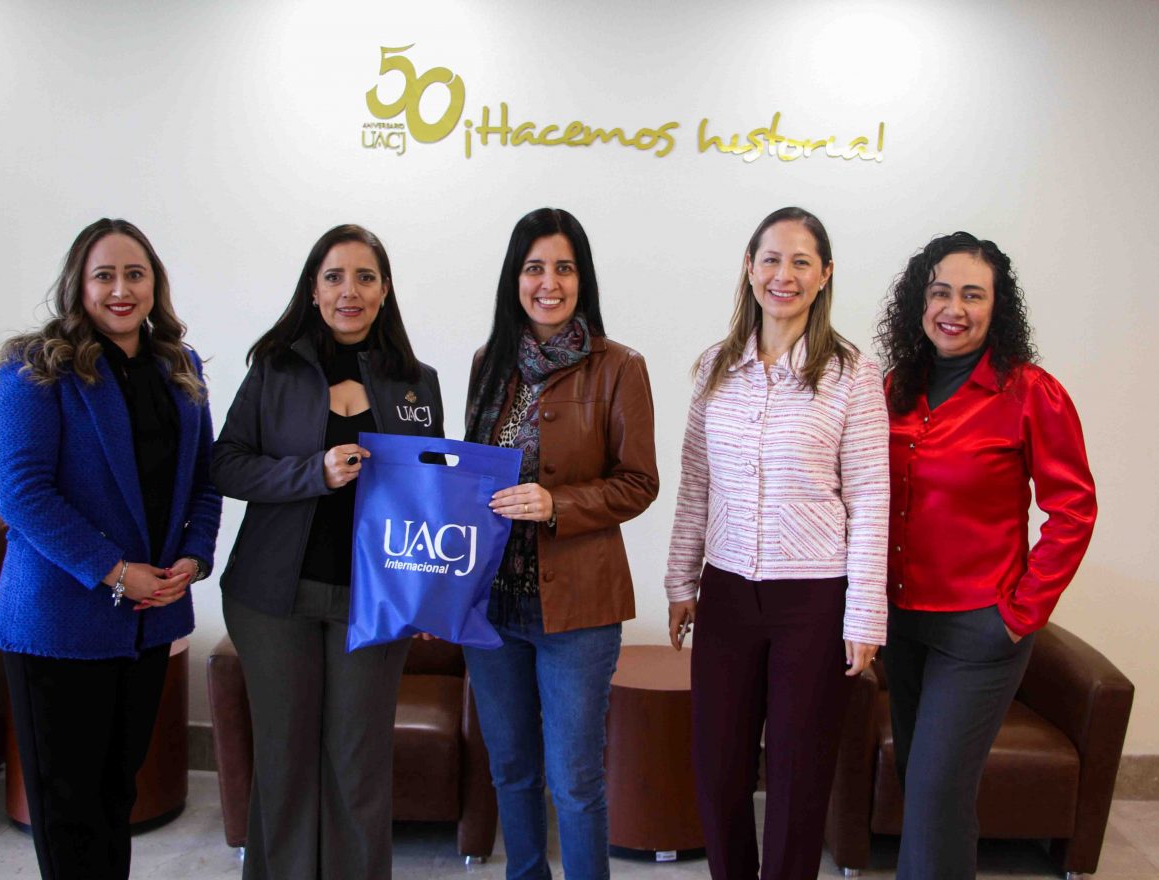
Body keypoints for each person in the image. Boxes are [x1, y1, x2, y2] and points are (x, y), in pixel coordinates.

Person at [0, 218, 220, 880]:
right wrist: (116, 573)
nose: (121, 290)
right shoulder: (37, 368)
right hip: (59, 623)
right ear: (78, 285)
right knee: (70, 812)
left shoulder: (180, 369)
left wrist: (193, 558)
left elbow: (204, 482)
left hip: (147, 622)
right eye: (105, 275)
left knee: (117, 797)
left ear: (155, 285)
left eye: (134, 274)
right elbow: (22, 494)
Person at [211, 224, 444, 880]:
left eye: (365, 277)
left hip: (374, 602)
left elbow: (430, 495)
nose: (350, 291)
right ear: (313, 290)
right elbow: (226, 464)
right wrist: (311, 472)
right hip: (271, 600)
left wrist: (429, 589)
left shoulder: (417, 382)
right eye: (335, 277)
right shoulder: (274, 369)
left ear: (385, 290)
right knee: (284, 762)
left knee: (358, 765)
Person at [664, 206, 889, 880]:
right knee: (718, 769)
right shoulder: (715, 367)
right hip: (728, 593)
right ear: (749, 267)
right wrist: (681, 581)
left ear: (824, 275)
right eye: (770, 259)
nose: (782, 275)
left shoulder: (853, 374)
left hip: (814, 603)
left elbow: (871, 497)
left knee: (797, 777)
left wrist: (864, 614)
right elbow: (696, 482)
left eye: (800, 262)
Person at [875, 232, 1097, 880]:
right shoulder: (894, 387)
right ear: (919, 302)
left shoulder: (1031, 392)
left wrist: (1020, 614)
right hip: (901, 624)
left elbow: (1074, 510)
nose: (954, 308)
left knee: (936, 792)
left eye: (973, 295)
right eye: (940, 292)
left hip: (979, 630)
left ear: (997, 308)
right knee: (925, 788)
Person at [461, 207, 658, 880]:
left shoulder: (619, 366)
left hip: (578, 610)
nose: (549, 283)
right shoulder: (488, 364)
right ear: (514, 278)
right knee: (511, 769)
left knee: (574, 780)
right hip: (492, 607)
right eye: (535, 267)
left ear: (583, 278)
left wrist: (557, 505)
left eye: (564, 268)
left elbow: (639, 483)